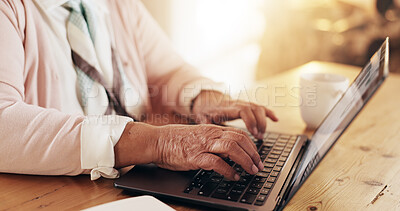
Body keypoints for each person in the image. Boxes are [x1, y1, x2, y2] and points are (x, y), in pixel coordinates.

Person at [0, 0, 278, 181]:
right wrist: (158, 143)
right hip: (61, 191)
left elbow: (168, 70)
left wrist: (204, 99)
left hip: (137, 179)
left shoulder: (118, 5)